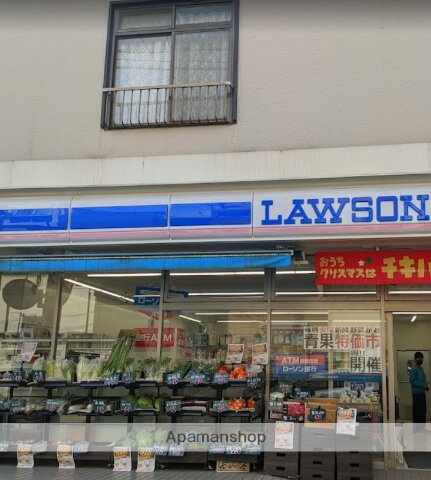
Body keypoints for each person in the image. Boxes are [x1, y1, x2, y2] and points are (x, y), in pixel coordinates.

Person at [409, 351, 429, 431]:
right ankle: (417, 429)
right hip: (416, 394)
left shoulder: (421, 368)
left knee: (423, 411)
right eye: (419, 358)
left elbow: (423, 379)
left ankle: (422, 428)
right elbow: (412, 380)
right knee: (417, 412)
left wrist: (426, 385)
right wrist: (423, 385)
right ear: (415, 359)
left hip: (422, 393)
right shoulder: (413, 369)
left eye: (421, 358)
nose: (420, 359)